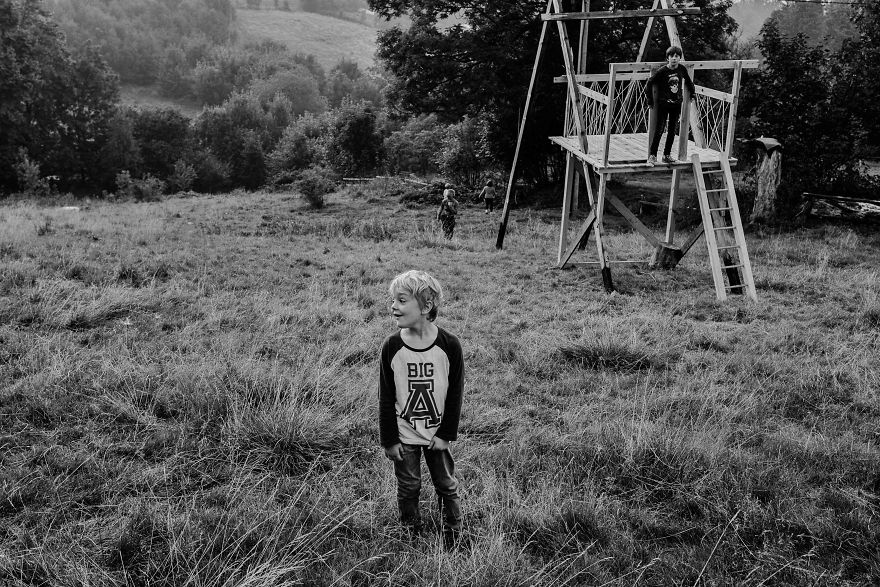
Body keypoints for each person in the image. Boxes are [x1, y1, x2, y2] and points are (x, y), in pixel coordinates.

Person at [379, 270, 464, 547]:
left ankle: (453, 532)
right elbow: (385, 397)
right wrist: (389, 440)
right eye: (393, 300)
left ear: (426, 307)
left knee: (446, 485)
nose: (393, 306)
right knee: (408, 487)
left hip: (436, 434)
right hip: (404, 435)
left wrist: (446, 434)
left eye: (401, 300)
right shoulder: (391, 346)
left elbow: (455, 394)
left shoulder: (449, 345)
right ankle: (409, 532)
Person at [646, 45, 695, 166]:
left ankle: (666, 155)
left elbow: (688, 81)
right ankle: (652, 155)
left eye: (677, 56)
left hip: (677, 104)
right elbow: (649, 83)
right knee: (659, 130)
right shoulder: (663, 71)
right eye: (671, 56)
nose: (674, 58)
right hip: (664, 104)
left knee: (672, 131)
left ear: (679, 58)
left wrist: (693, 93)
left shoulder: (682, 69)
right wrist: (650, 100)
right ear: (667, 58)